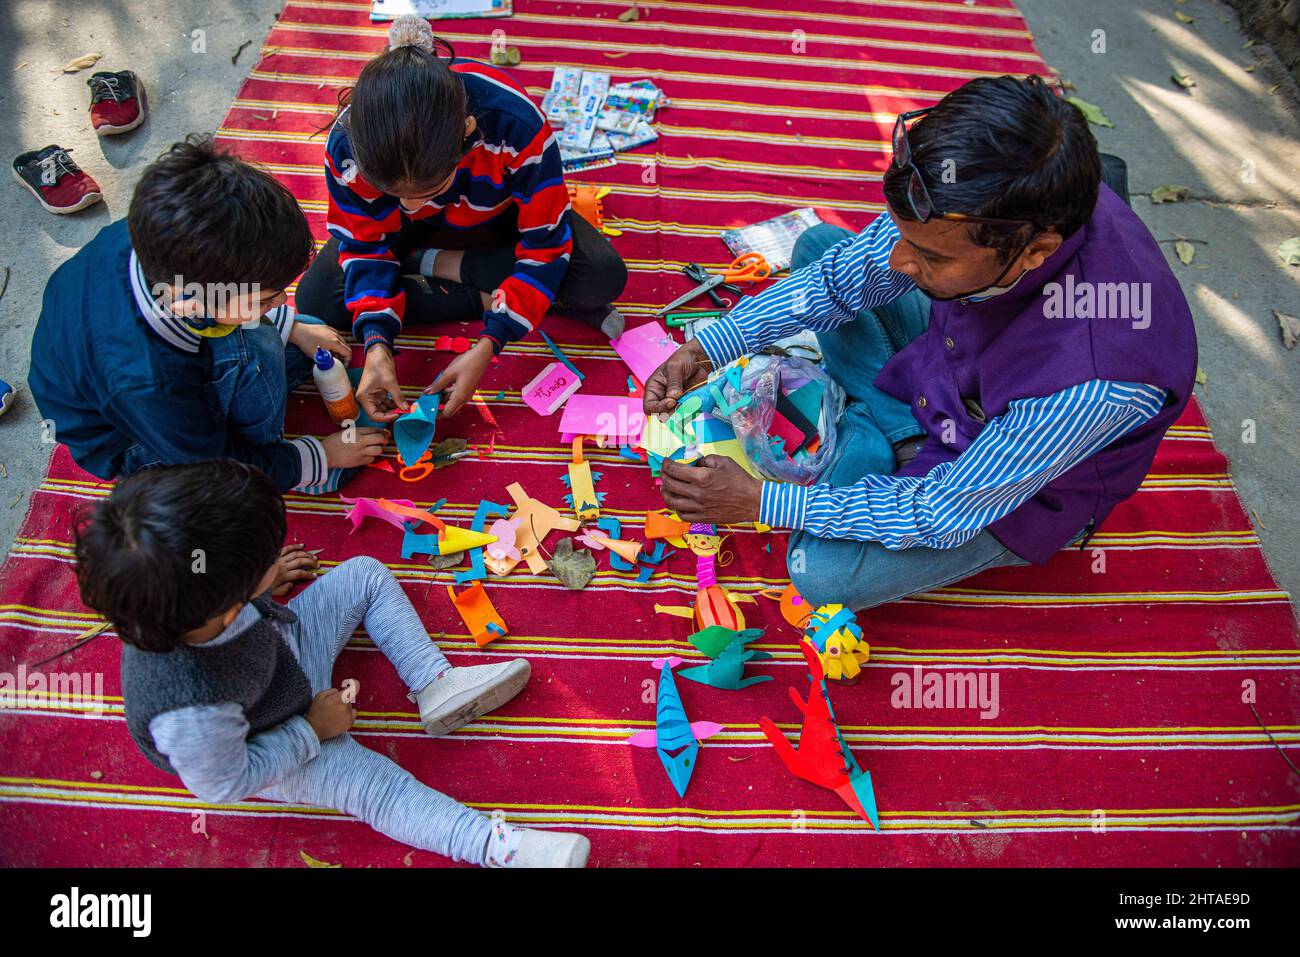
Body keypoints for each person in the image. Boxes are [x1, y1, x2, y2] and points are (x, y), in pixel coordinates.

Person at [644, 76, 1197, 611]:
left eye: (932, 257)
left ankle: (868, 438)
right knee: (820, 247)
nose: (899, 263)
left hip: (1003, 490)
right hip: (954, 379)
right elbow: (843, 279)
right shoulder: (998, 192)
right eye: (906, 236)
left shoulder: (1103, 380)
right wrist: (710, 346)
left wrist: (763, 500)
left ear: (1034, 251)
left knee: (824, 574)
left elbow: (942, 510)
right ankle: (895, 435)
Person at [74, 460, 591, 868]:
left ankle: (435, 683)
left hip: (283, 658)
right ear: (225, 601)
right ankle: (495, 846)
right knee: (377, 788)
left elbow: (228, 584)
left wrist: (260, 587)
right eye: (265, 560)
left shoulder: (189, 592)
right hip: (275, 737)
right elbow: (225, 783)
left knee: (365, 574)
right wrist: (312, 732)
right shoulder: (189, 708)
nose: (277, 559)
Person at [295, 14, 628, 425]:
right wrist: (378, 342)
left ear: (468, 134)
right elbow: (365, 244)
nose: (412, 206)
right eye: (396, 193)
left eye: (429, 190)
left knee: (600, 277)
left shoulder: (515, 123)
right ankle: (482, 291)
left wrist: (491, 341)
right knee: (317, 301)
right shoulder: (350, 146)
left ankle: (429, 265)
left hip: (497, 217)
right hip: (409, 236)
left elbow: (544, 243)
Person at [27, 137, 388, 495]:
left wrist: (290, 326)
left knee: (300, 332)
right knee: (256, 357)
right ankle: (272, 461)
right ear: (192, 301)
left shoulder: (163, 237)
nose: (281, 301)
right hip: (133, 441)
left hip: (136, 371)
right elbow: (211, 466)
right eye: (265, 299)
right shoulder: (145, 380)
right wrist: (317, 457)